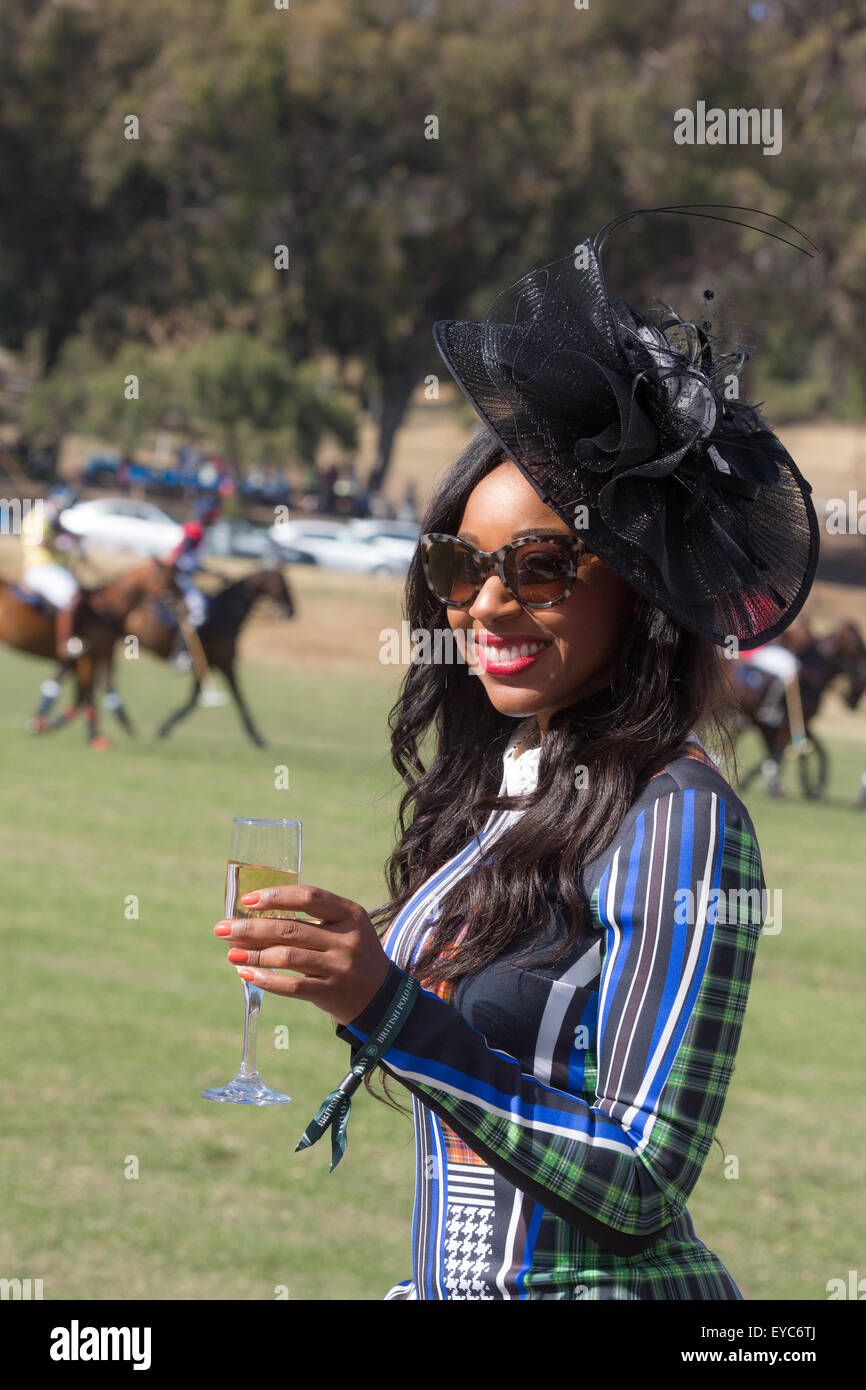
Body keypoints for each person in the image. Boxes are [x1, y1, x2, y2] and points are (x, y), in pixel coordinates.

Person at [211, 206, 819, 1299]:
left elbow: (638, 1178)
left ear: (636, 590)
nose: (485, 602)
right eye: (458, 565)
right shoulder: (506, 791)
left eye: (537, 565)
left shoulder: (676, 815)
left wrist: (385, 1002)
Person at [20, 485, 85, 659]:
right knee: (72, 597)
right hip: (41, 568)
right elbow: (40, 541)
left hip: (52, 568)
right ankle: (64, 643)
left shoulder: (51, 517)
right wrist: (59, 544)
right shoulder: (40, 516)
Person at [162, 500, 219, 661]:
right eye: (212, 517)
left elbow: (192, 560)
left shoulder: (198, 530)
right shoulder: (195, 530)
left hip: (184, 574)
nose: (214, 520)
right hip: (180, 575)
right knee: (198, 610)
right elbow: (179, 553)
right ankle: (181, 652)